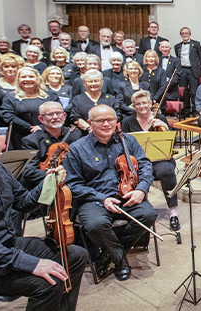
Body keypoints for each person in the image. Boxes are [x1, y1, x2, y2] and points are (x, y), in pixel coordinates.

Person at [0, 118, 88, 311]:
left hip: (5, 245)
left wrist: (49, 182)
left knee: (76, 256)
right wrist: (31, 263)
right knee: (49, 282)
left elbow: (23, 202)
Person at [64, 104, 157, 281]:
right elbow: (73, 183)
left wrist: (141, 190)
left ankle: (108, 255)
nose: (107, 124)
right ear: (90, 123)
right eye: (101, 121)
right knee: (95, 225)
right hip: (94, 198)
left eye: (111, 120)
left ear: (117, 121)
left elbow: (145, 165)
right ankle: (120, 259)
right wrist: (101, 198)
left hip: (127, 193)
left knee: (148, 215)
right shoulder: (76, 148)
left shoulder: (128, 140)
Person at [121, 90, 180, 231]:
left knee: (167, 171)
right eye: (138, 104)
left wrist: (165, 128)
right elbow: (124, 145)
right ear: (133, 106)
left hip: (160, 159)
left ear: (151, 104)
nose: (141, 106)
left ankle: (173, 213)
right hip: (138, 163)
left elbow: (171, 144)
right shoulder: (127, 122)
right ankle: (141, 212)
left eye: (144, 103)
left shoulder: (160, 118)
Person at [20, 101, 81, 191]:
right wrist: (53, 175)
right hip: (43, 186)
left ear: (64, 116)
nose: (55, 117)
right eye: (50, 114)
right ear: (41, 119)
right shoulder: (30, 140)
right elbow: (29, 171)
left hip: (72, 183)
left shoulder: (75, 134)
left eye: (58, 113)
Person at [1, 67, 60, 150]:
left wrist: (42, 127)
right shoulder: (10, 97)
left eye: (31, 77)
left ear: (38, 79)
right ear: (18, 79)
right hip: (19, 138)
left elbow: (59, 113)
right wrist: (30, 128)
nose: (27, 79)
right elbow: (8, 116)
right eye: (23, 77)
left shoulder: (50, 95)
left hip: (47, 135)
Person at [0, 54, 24, 127]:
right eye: (6, 66)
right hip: (1, 122)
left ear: (18, 68)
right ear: (1, 68)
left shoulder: (24, 83)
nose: (10, 69)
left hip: (24, 122)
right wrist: (9, 117)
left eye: (13, 66)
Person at [175, 27, 201, 111]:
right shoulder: (177, 46)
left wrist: (196, 67)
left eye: (186, 33)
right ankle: (186, 110)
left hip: (193, 71)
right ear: (180, 35)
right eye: (182, 33)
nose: (184, 35)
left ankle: (195, 110)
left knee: (194, 91)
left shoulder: (196, 44)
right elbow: (178, 57)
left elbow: (200, 57)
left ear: (189, 34)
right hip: (182, 70)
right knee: (184, 92)